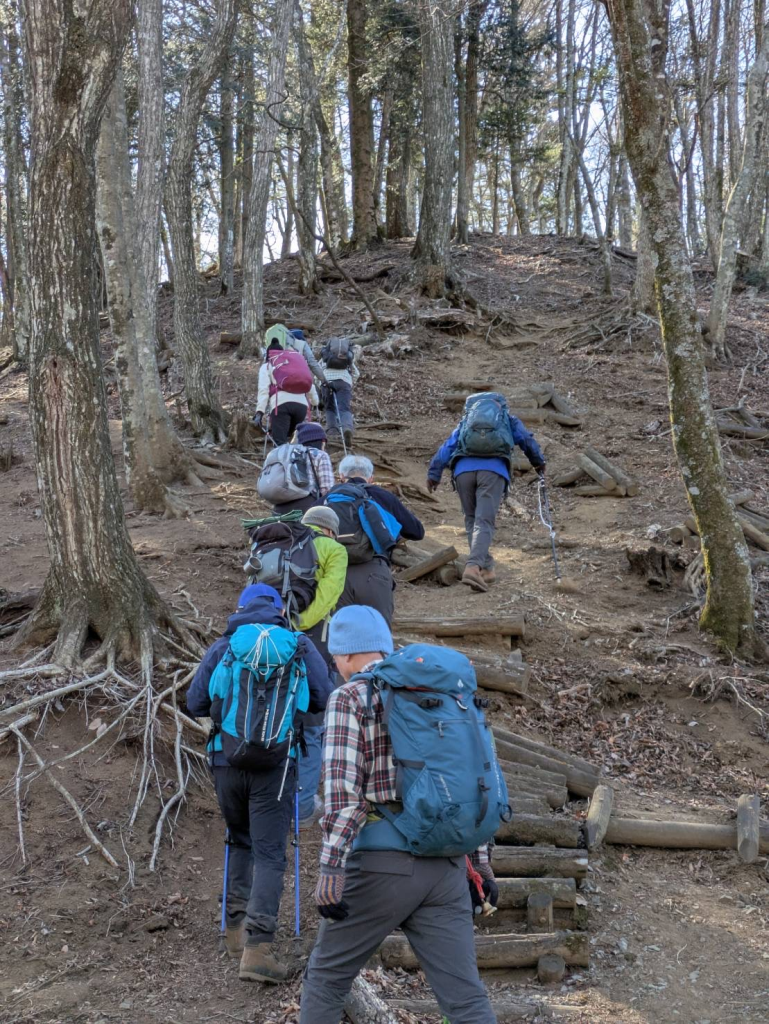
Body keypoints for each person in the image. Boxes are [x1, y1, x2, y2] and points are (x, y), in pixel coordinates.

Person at [298, 607, 499, 1024]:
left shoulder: (351, 697)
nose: (335, 666)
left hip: (381, 867)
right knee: (465, 1000)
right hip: (446, 868)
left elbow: (342, 792)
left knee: (327, 979)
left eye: (335, 657)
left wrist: (332, 866)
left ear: (346, 654)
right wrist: (480, 861)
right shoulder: (446, 695)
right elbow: (475, 781)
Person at [186, 584, 334, 984]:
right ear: (280, 610)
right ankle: (259, 948)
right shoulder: (298, 645)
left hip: (226, 760)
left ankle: (234, 931)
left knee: (239, 840)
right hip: (277, 765)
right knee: (270, 853)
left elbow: (195, 702)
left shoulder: (226, 645)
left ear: (241, 608)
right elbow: (322, 698)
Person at [427, 392, 545, 593]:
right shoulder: (507, 419)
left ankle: (487, 569)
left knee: (472, 519)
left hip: (463, 472)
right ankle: (473, 567)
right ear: (501, 405)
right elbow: (526, 439)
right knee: (484, 521)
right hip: (492, 472)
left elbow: (448, 445)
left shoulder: (466, 422)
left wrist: (434, 474)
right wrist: (539, 463)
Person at [293, 506, 348, 828]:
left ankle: (270, 800)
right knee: (312, 729)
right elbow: (328, 596)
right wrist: (299, 624)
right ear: (329, 530)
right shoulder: (334, 549)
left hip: (267, 639)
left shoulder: (280, 544)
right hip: (312, 645)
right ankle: (302, 810)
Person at [329, 453, 425, 625]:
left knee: (340, 634)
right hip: (374, 571)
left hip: (335, 574)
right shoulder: (383, 496)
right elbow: (417, 531)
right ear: (371, 478)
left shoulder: (328, 499)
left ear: (341, 476)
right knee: (379, 631)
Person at [255, 334, 319, 445]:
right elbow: (309, 385)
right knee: (297, 443)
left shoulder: (267, 366)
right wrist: (315, 402)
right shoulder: (291, 365)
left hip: (281, 406)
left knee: (280, 444)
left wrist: (259, 412)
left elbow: (263, 390)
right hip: (301, 407)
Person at [269, 422, 336, 517]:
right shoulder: (320, 455)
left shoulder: (287, 455)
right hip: (307, 508)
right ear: (321, 441)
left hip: (279, 508)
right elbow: (327, 489)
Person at [320, 337, 359, 448]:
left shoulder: (326, 357)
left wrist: (320, 385)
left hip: (327, 381)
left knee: (330, 408)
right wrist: (350, 383)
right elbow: (356, 373)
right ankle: (347, 428)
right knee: (344, 409)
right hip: (344, 382)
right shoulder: (346, 357)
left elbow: (318, 371)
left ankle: (332, 432)